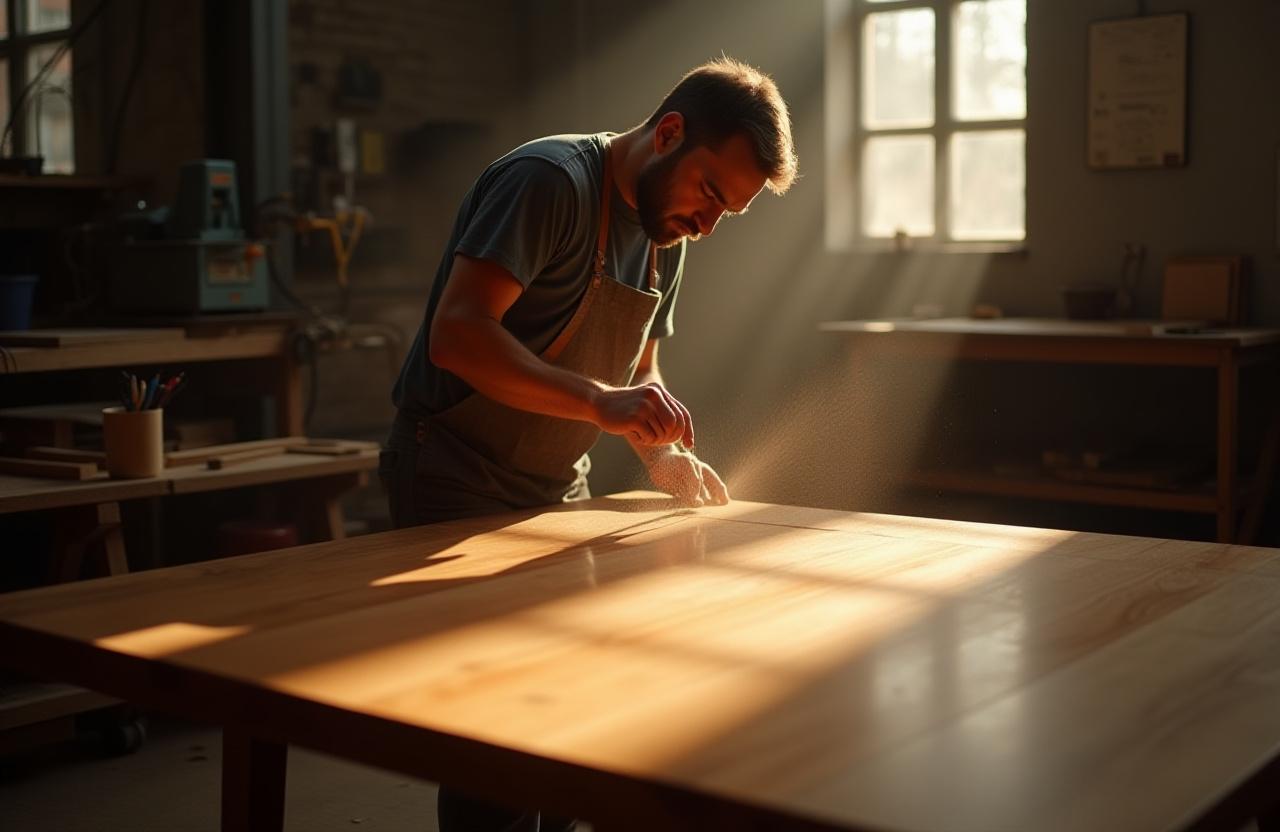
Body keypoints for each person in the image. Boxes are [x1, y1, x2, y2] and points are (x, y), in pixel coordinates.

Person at [380, 56, 796, 832]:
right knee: (494, 736)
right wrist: (603, 403)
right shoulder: (550, 183)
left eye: (725, 214)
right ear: (669, 132)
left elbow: (639, 360)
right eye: (709, 192)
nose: (706, 224)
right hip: (452, 466)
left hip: (552, 482)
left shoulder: (667, 231)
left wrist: (657, 448)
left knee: (570, 712)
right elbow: (458, 335)